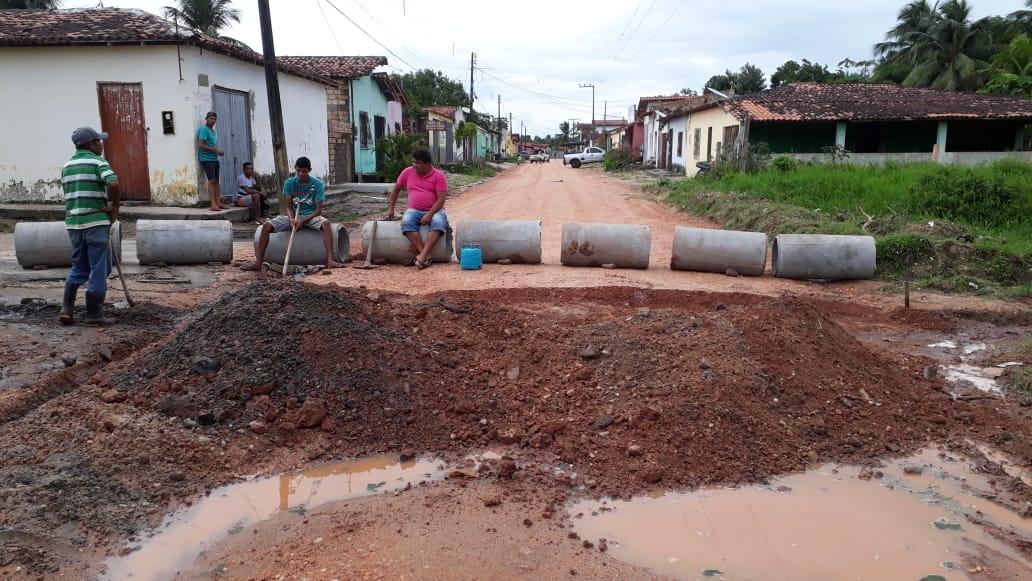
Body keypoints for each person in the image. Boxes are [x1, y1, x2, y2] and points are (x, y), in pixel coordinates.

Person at [58, 127, 121, 326]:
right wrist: (114, 207)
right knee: (99, 268)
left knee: (80, 265)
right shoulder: (98, 162)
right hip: (95, 222)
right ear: (90, 144)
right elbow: (113, 184)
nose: (101, 145)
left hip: (74, 225)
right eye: (98, 141)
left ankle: (67, 309)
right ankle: (94, 314)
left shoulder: (67, 165)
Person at [242, 157, 344, 271]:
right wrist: (292, 220)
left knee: (326, 224)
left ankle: (330, 260)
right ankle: (258, 262)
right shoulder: (290, 183)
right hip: (294, 216)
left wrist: (302, 222)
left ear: (309, 170)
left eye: (304, 171)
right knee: (266, 226)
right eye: (298, 170)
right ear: (295, 169)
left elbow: (318, 210)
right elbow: (288, 207)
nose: (301, 174)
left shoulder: (317, 184)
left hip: (310, 216)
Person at [387, 149, 449, 269]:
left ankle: (422, 255)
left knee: (438, 222)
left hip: (434, 210)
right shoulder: (407, 172)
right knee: (406, 221)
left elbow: (441, 199)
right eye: (413, 162)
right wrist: (391, 208)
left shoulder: (439, 176)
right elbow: (396, 188)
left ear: (427, 164)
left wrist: (430, 214)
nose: (414, 165)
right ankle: (424, 254)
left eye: (418, 163)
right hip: (414, 210)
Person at [197, 111, 224, 211]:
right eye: (211, 118)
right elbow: (201, 145)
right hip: (206, 159)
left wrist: (218, 152)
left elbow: (212, 145)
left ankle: (219, 202)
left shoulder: (213, 131)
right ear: (206, 119)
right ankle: (213, 204)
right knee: (212, 181)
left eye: (214, 119)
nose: (213, 121)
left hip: (214, 158)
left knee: (217, 181)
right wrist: (216, 150)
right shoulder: (204, 129)